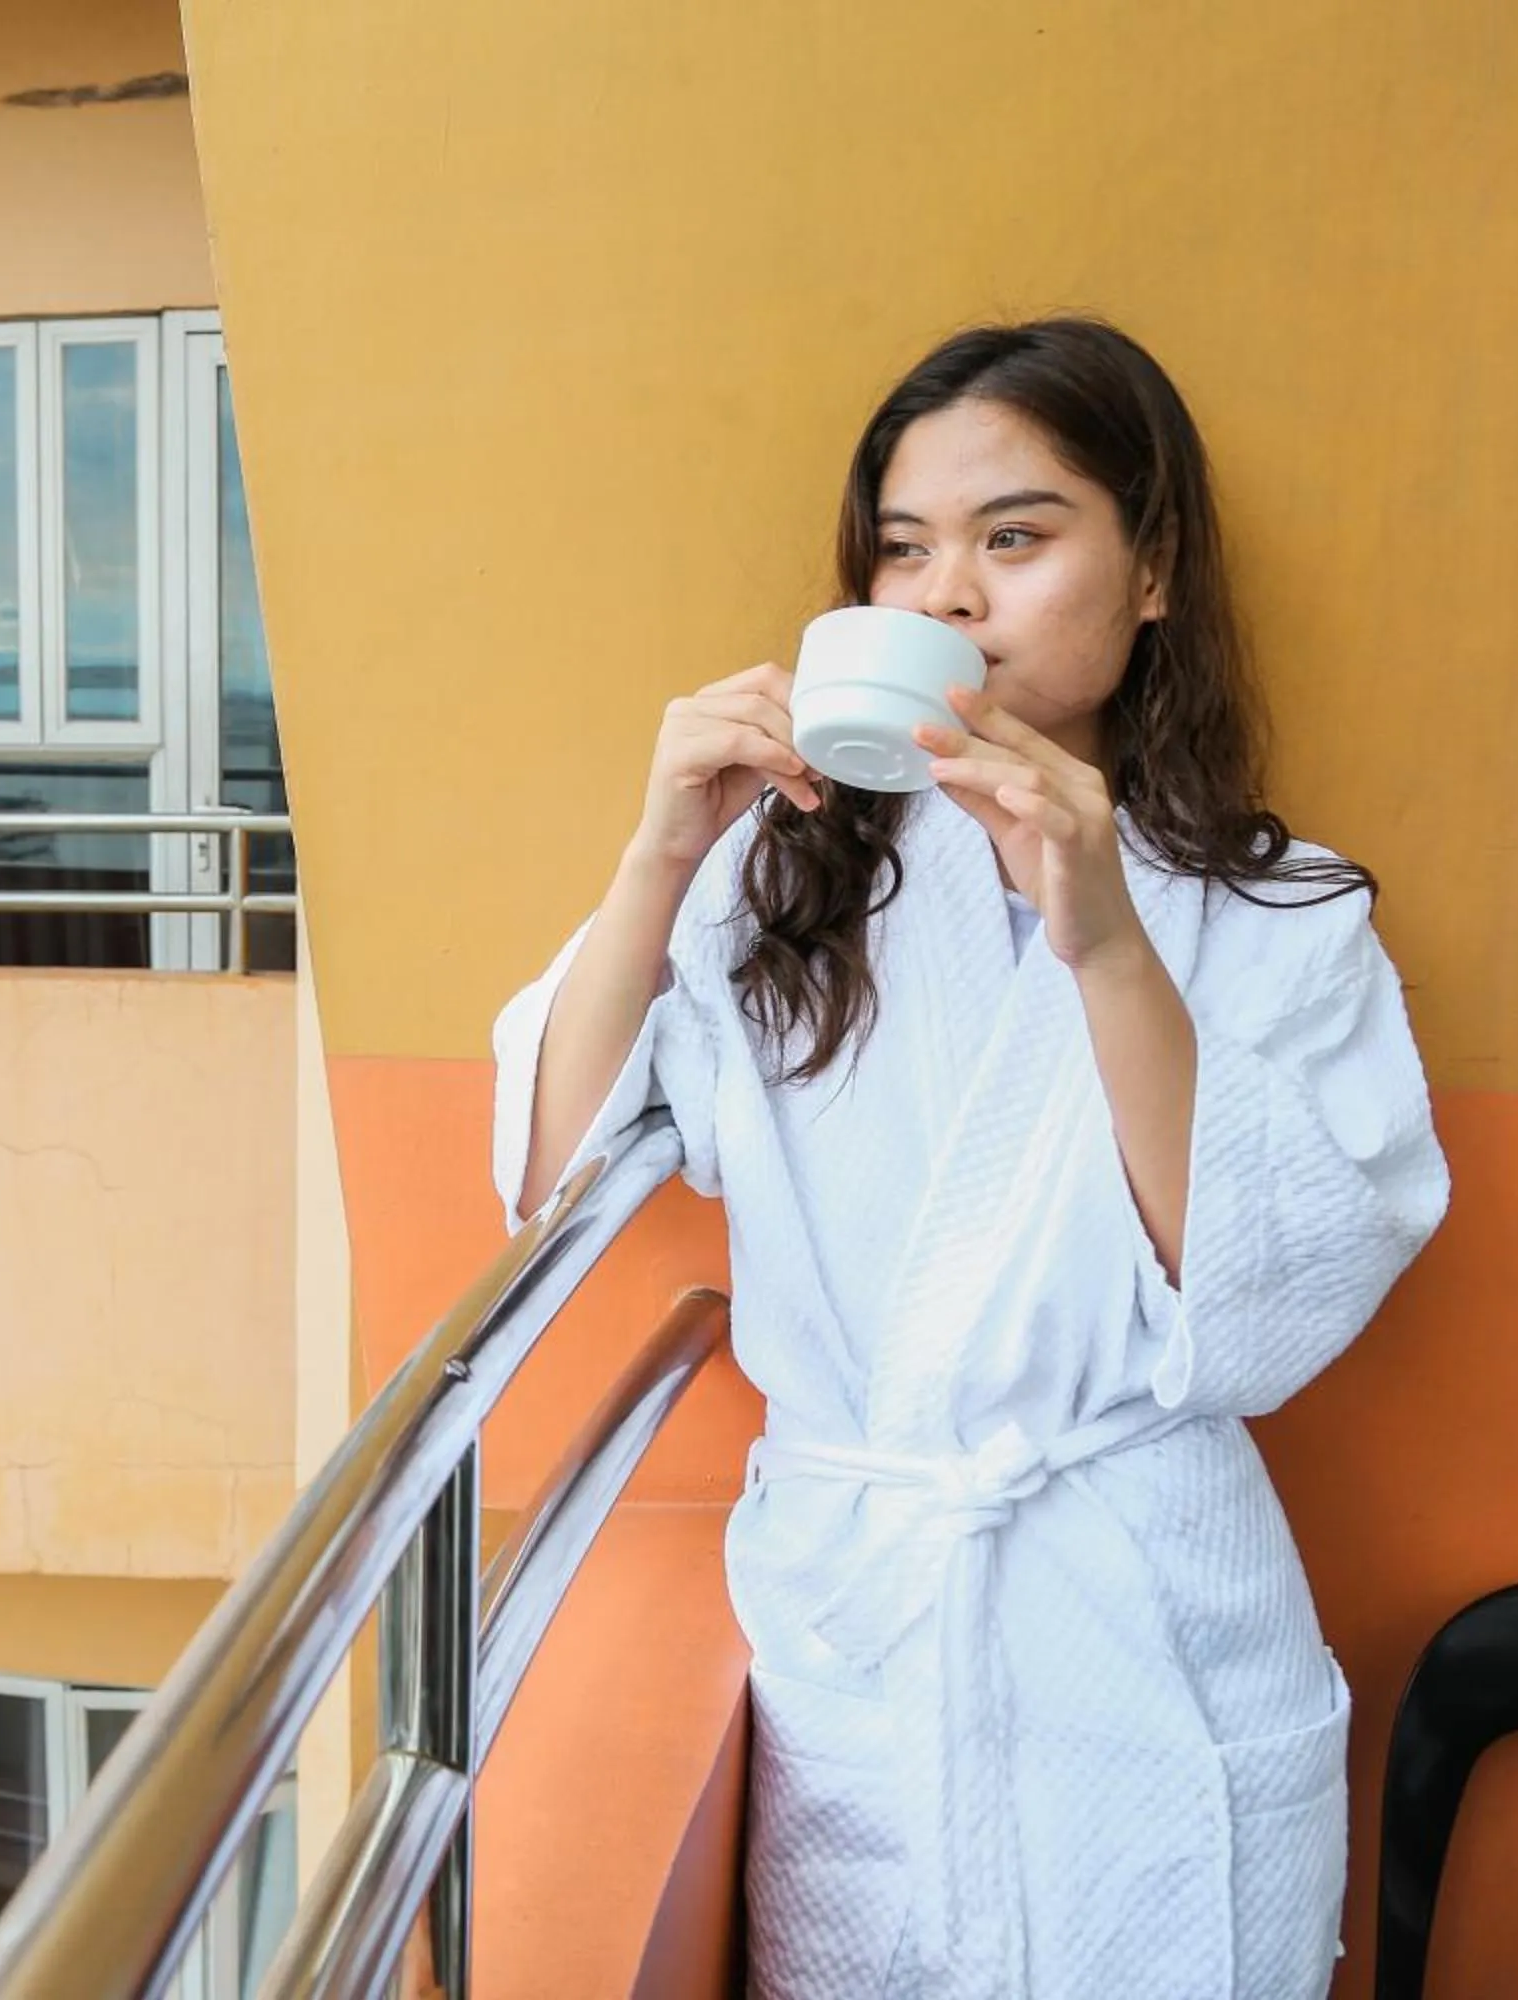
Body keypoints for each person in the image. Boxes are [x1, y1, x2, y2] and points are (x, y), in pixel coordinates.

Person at [495, 318, 1449, 1998]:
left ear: (1152, 572)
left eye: (1015, 539)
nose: (949, 596)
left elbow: (1263, 1308)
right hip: (871, 1653)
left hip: (1151, 1657)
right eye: (904, 551)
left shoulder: (1286, 919)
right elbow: (555, 1186)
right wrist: (659, 855)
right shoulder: (787, 890)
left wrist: (1107, 943)